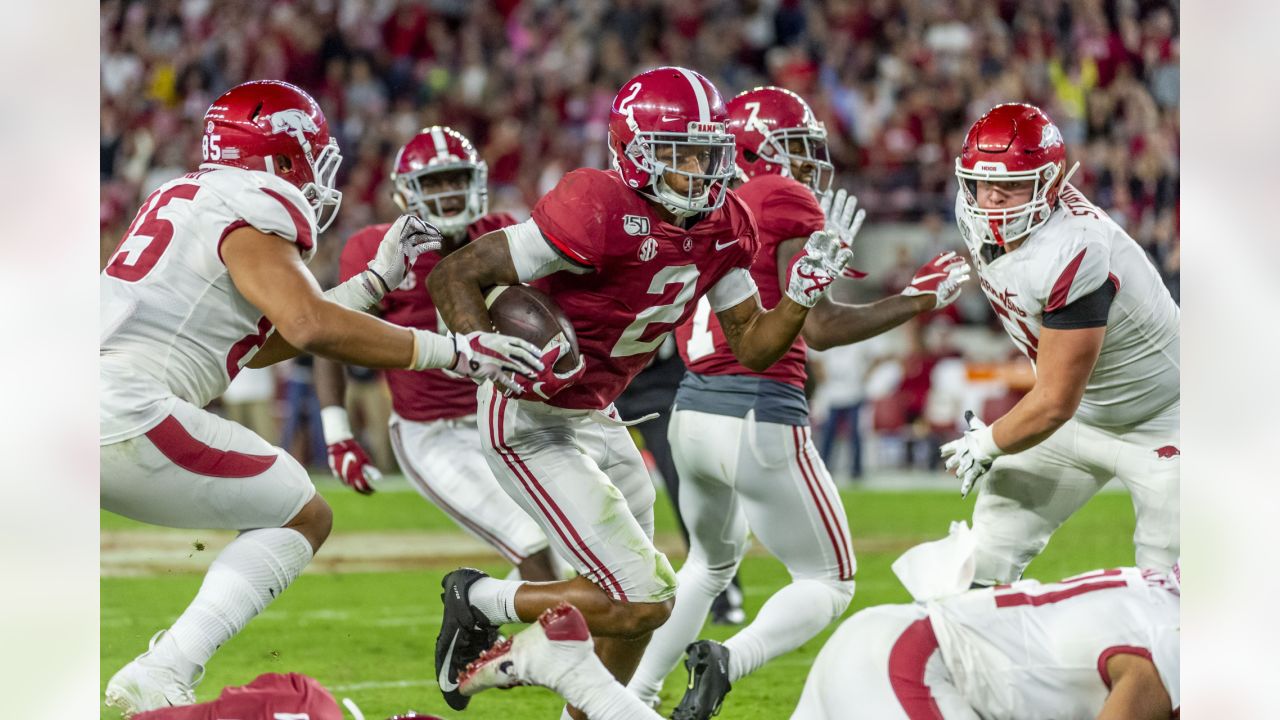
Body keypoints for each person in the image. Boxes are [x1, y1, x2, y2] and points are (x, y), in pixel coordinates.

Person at [100, 80, 542, 716]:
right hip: (128, 409)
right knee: (304, 515)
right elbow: (307, 325)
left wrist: (371, 284)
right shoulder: (256, 200)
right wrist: (453, 352)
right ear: (281, 157)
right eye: (307, 154)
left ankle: (159, 668)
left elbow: (261, 343)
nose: (314, 171)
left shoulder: (185, 195)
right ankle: (166, 667)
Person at [426, 67, 857, 717]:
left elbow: (754, 346)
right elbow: (456, 273)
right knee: (643, 598)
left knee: (636, 611)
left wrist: (800, 293)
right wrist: (479, 345)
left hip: (599, 411)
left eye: (710, 152)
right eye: (682, 154)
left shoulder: (724, 222)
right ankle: (479, 599)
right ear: (635, 154)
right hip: (529, 417)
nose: (703, 170)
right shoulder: (597, 207)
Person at [627, 85, 974, 718]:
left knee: (706, 566)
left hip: (692, 409)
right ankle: (730, 658)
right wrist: (918, 300)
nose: (810, 164)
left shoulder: (703, 200)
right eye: (797, 147)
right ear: (758, 148)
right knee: (829, 581)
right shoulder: (781, 197)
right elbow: (818, 327)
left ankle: (634, 698)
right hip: (758, 410)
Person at [456, 550, 1180, 720]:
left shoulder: (1172, 589)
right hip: (918, 670)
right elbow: (1139, 682)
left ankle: (570, 669)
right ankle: (568, 668)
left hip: (900, 643)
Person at [939, 103, 1180, 585]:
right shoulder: (982, 222)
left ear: (1049, 184)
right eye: (984, 185)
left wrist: (987, 443)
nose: (993, 202)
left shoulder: (1075, 245)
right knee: (978, 564)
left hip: (1165, 420)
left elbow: (1053, 402)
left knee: (1169, 597)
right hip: (1085, 414)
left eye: (1011, 187)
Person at [314, 126, 567, 583]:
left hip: (509, 420)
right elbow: (329, 336)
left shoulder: (503, 236)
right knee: (532, 545)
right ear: (404, 193)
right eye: (432, 182)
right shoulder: (378, 250)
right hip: (434, 433)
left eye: (455, 178)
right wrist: (338, 434)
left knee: (575, 549)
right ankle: (489, 622)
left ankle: (478, 623)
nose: (447, 192)